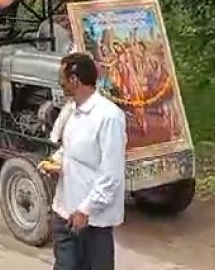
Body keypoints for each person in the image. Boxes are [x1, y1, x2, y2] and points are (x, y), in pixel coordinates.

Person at [48, 52, 127, 270]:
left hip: (92, 220)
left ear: (74, 80)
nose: (59, 83)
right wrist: (55, 162)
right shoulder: (71, 110)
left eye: (62, 78)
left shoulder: (109, 117)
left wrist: (86, 209)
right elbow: (69, 150)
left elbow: (111, 173)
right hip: (65, 211)